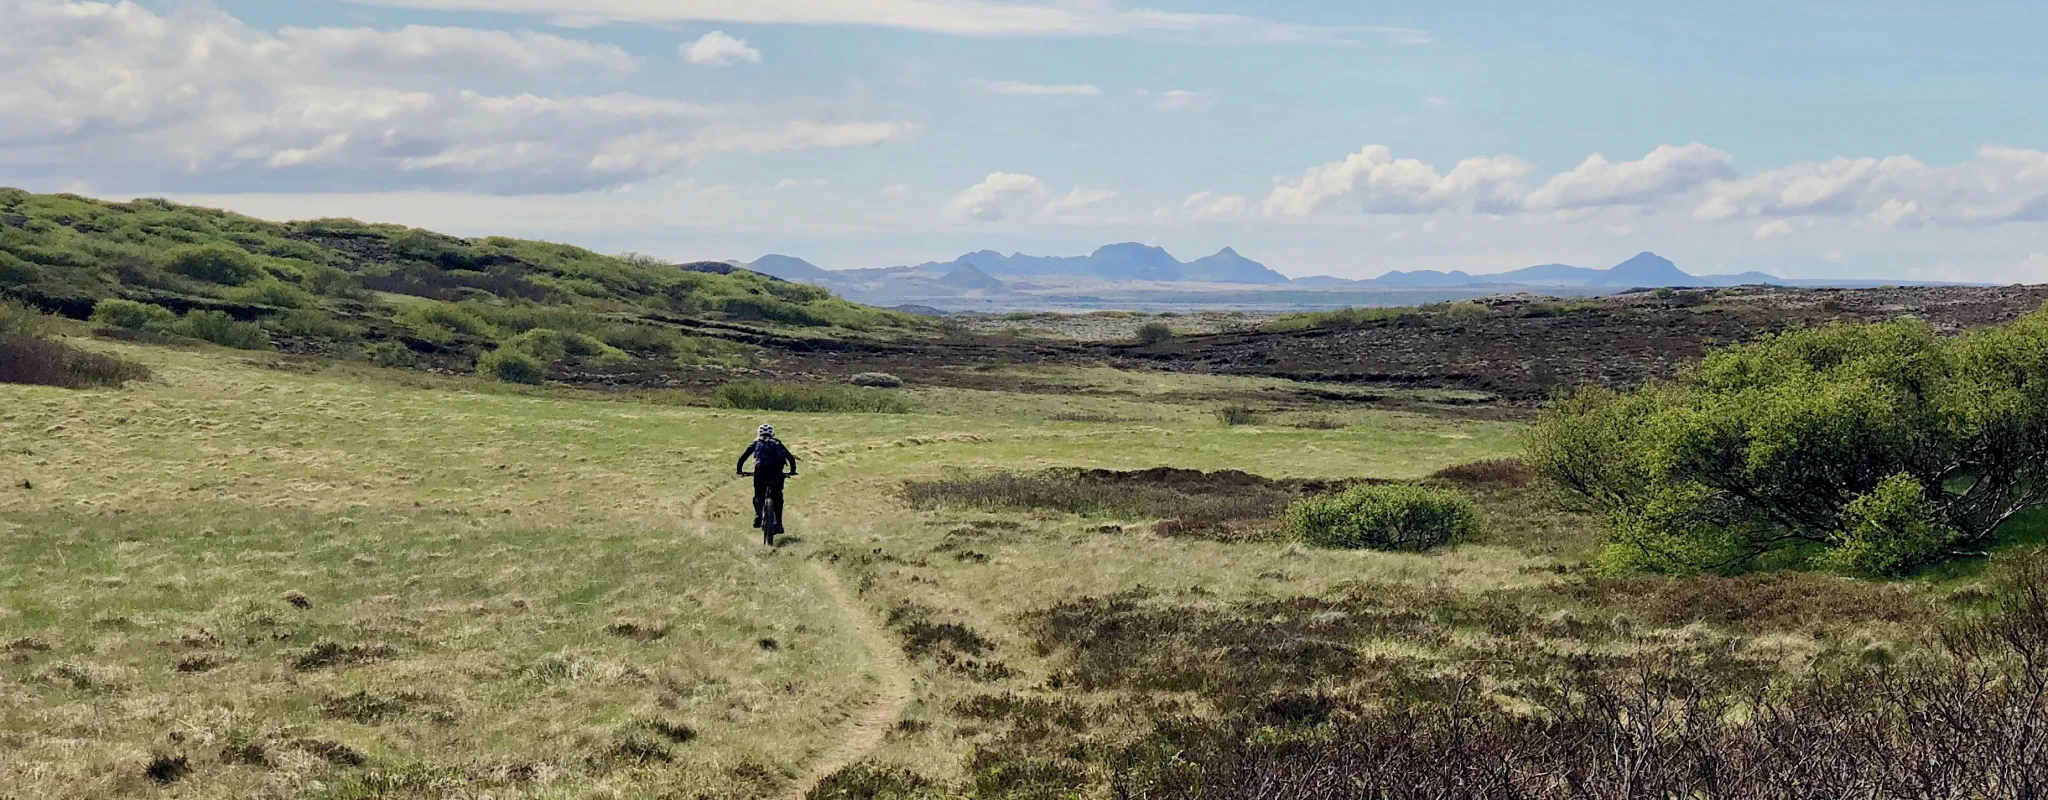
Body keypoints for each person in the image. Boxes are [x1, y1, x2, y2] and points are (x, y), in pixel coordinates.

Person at [736, 424, 798, 544]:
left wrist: (739, 470)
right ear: (772, 433)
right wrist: (792, 471)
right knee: (778, 498)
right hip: (776, 475)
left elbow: (742, 458)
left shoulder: (756, 443)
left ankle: (758, 514)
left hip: (760, 474)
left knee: (758, 495)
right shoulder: (777, 443)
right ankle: (779, 523)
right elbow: (791, 458)